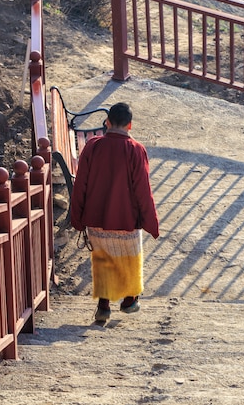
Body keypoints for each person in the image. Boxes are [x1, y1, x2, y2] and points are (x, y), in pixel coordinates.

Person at [71, 102, 160, 322]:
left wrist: (77, 217)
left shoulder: (92, 146)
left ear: (107, 123)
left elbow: (80, 184)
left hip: (96, 218)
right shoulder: (136, 150)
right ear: (129, 125)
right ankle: (130, 299)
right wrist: (151, 222)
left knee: (103, 260)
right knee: (130, 258)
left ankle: (104, 306)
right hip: (126, 219)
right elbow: (143, 190)